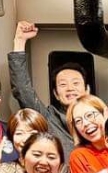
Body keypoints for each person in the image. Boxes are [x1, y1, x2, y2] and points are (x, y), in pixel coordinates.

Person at [8, 21, 91, 163]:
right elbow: (22, 90)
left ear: (87, 89)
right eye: (63, 84)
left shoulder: (99, 119)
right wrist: (20, 42)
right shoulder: (48, 119)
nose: (70, 88)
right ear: (56, 94)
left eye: (76, 83)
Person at [67, 95, 108, 173]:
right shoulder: (79, 156)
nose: (85, 123)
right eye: (78, 121)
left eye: (90, 115)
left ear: (104, 114)